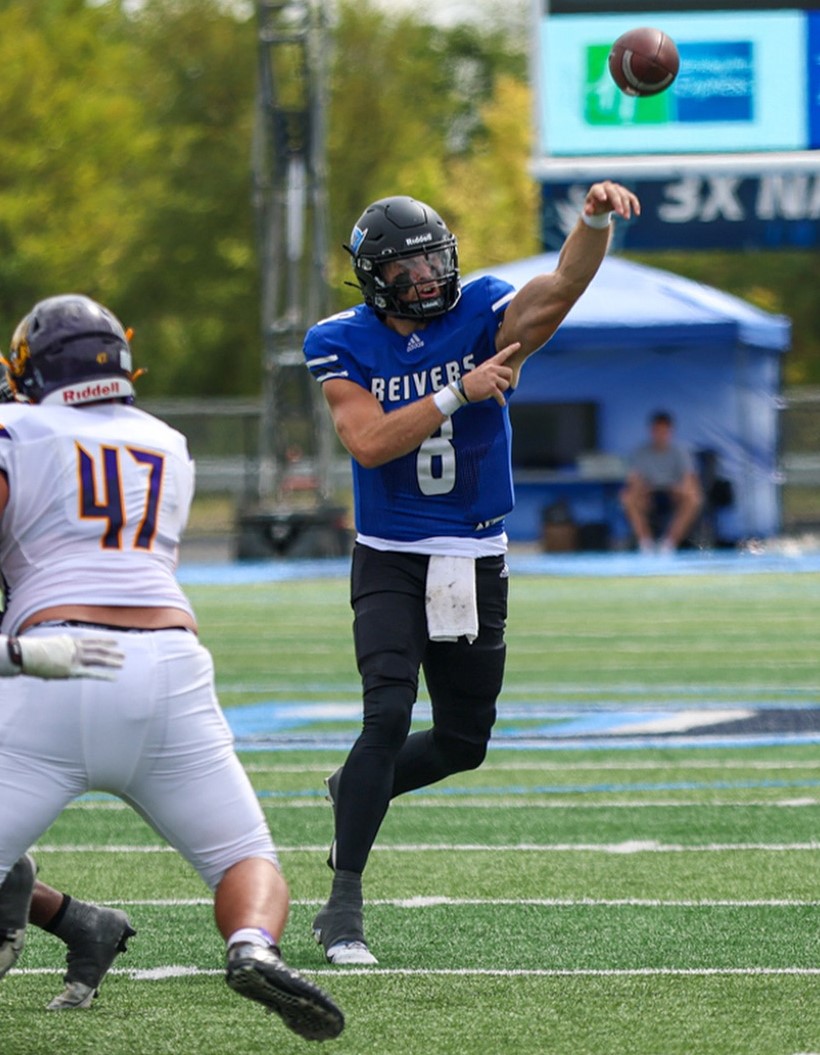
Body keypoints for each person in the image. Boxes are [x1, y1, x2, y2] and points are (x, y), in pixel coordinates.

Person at [303, 181, 640, 965]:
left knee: (462, 742)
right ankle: (342, 908)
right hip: (390, 553)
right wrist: (459, 388)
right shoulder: (340, 339)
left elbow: (562, 286)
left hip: (473, 555)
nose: (427, 276)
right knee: (384, 718)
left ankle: (355, 786)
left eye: (432, 259)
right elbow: (370, 442)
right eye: (408, 266)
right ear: (374, 276)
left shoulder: (484, 309)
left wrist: (589, 221)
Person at [0, 294, 343, 1040]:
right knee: (243, 856)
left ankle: (23, 889)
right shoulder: (166, 441)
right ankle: (252, 943)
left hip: (51, 665)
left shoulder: (14, 430)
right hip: (170, 666)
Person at [619, 409, 703, 554]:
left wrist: (681, 490)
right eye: (657, 431)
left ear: (670, 431)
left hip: (674, 495)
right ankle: (645, 543)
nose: (660, 435)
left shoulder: (680, 452)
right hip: (649, 495)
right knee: (627, 498)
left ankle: (669, 543)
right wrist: (640, 491)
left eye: (664, 431)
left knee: (694, 498)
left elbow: (690, 480)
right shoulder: (641, 452)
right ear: (651, 431)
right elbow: (634, 480)